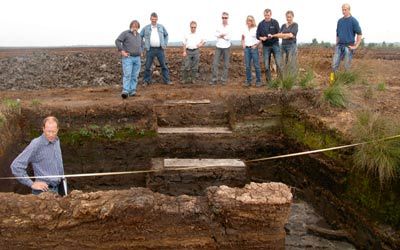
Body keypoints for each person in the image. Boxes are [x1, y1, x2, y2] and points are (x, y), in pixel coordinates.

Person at [11, 116, 64, 195]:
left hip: (58, 187)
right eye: (48, 131)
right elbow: (16, 166)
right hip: (43, 191)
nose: (51, 135)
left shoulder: (56, 140)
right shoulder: (36, 144)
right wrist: (31, 184)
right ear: (43, 129)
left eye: (53, 132)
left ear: (57, 129)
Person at [331, 3, 362, 80]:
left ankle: (346, 82)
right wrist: (336, 44)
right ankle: (332, 81)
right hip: (339, 46)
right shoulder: (340, 21)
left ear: (349, 10)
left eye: (345, 10)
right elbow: (337, 34)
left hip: (348, 47)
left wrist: (356, 46)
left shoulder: (354, 21)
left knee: (346, 66)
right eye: (342, 9)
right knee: (334, 64)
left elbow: (359, 34)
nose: (343, 11)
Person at [140, 12, 173, 85]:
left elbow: (166, 35)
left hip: (160, 49)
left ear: (157, 19)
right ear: (150, 19)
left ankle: (167, 81)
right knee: (147, 66)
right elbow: (140, 36)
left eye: (155, 19)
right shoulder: (146, 28)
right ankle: (146, 81)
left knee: (164, 65)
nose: (154, 20)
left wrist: (165, 43)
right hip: (150, 49)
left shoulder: (161, 27)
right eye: (152, 19)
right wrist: (143, 45)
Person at [115, 20, 143, 99]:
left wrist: (141, 51)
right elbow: (117, 41)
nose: (135, 27)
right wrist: (122, 51)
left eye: (136, 26)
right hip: (128, 58)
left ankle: (132, 90)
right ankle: (125, 91)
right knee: (127, 74)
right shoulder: (125, 33)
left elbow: (142, 44)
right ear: (130, 26)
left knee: (135, 75)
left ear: (138, 27)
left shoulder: (139, 35)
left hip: (137, 58)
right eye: (133, 25)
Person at [256, 9, 282, 84]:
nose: (267, 16)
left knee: (278, 63)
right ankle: (269, 83)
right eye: (265, 15)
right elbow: (258, 35)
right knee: (266, 66)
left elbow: (279, 33)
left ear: (271, 14)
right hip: (266, 46)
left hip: (275, 45)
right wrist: (262, 38)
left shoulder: (275, 22)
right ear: (264, 15)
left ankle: (279, 81)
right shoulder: (261, 24)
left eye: (268, 15)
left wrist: (273, 35)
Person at [272, 11, 298, 75]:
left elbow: (291, 35)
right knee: (282, 62)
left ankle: (292, 80)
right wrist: (284, 36)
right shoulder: (283, 25)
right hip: (283, 46)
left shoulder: (295, 25)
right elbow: (279, 35)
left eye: (290, 17)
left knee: (291, 63)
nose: (288, 18)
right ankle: (283, 78)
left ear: (293, 17)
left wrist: (283, 35)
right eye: (287, 17)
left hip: (291, 46)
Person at [210, 12, 232, 85]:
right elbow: (215, 34)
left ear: (228, 18)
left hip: (227, 47)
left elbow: (229, 37)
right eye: (223, 17)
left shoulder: (230, 27)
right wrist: (223, 35)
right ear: (221, 18)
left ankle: (223, 80)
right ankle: (214, 79)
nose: (224, 19)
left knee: (226, 65)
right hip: (218, 47)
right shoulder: (218, 26)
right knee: (215, 63)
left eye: (226, 18)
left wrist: (221, 36)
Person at [241, 15, 261, 87]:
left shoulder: (256, 29)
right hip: (246, 49)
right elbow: (243, 37)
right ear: (246, 21)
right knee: (247, 66)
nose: (249, 21)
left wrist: (256, 45)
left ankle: (258, 81)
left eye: (251, 20)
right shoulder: (244, 29)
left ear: (253, 21)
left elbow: (260, 38)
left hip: (254, 49)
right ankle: (248, 81)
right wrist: (243, 44)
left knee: (256, 65)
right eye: (248, 20)